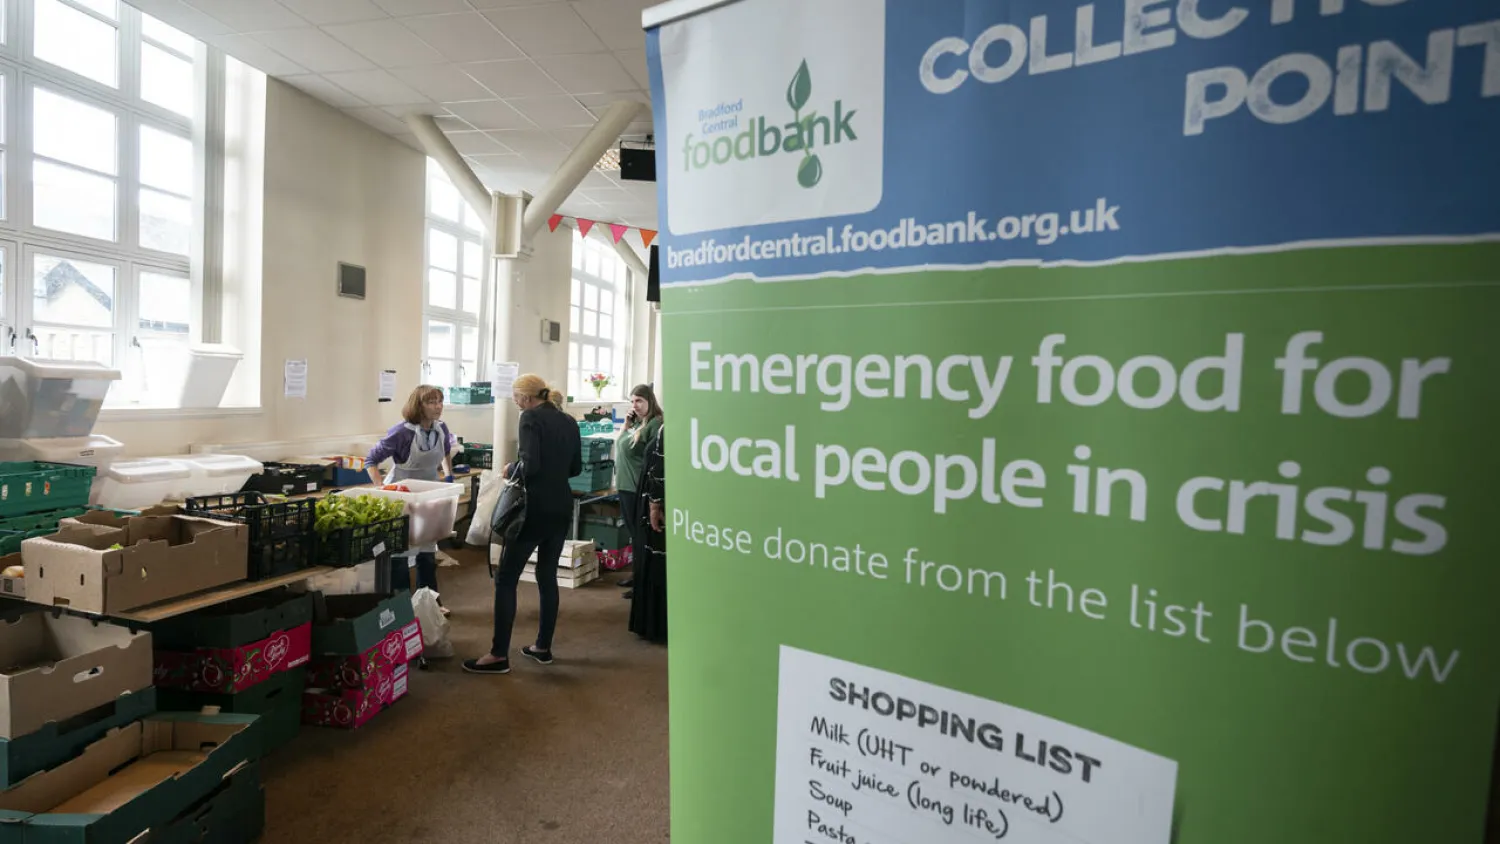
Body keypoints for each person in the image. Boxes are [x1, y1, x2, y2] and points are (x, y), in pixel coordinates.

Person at [464, 373, 582, 675]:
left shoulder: (529, 418)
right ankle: (542, 647)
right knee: (547, 576)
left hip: (532, 510)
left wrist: (511, 468)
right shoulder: (568, 421)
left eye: (515, 398)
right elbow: (576, 468)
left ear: (526, 398)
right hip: (561, 506)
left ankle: (498, 655)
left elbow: (531, 466)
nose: (515, 403)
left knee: (506, 578)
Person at [367, 385, 457, 603]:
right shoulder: (402, 432)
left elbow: (445, 451)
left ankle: (430, 601)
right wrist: (382, 488)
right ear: (419, 406)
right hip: (402, 494)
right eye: (431, 402)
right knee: (400, 550)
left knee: (427, 549)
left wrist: (448, 476)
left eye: (440, 401)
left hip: (428, 492)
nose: (438, 406)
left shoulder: (441, 428)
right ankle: (403, 604)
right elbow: (371, 460)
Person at [614, 385, 663, 599]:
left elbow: (655, 458)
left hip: (638, 488)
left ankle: (642, 584)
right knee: (634, 535)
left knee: (640, 536)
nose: (635, 405)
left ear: (650, 401)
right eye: (632, 401)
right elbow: (620, 444)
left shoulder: (655, 424)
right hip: (625, 486)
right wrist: (626, 424)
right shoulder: (637, 423)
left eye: (639, 401)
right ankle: (637, 576)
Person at [629, 425, 667, 643]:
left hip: (662, 509)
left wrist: (654, 504)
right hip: (657, 503)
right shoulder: (661, 428)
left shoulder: (664, 429)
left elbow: (660, 468)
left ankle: (657, 626)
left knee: (659, 562)